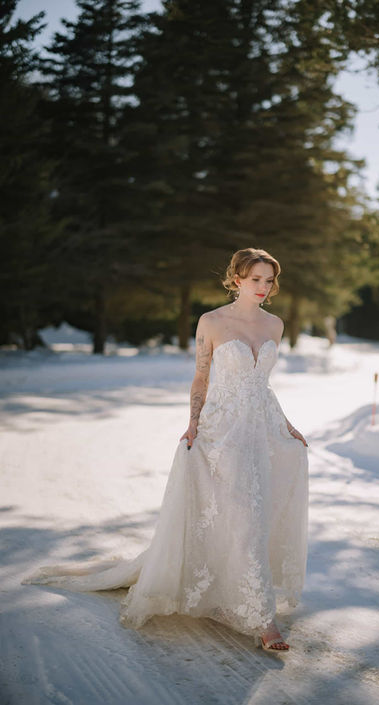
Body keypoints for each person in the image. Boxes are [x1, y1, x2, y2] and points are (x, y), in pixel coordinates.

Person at [21, 248, 309, 655]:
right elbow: (201, 378)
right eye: (255, 278)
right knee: (241, 515)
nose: (263, 287)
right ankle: (264, 620)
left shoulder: (275, 324)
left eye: (268, 280)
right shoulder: (211, 321)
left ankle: (240, 596)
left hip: (261, 431)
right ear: (237, 278)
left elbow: (261, 387)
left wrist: (287, 426)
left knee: (252, 516)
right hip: (221, 431)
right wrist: (193, 423)